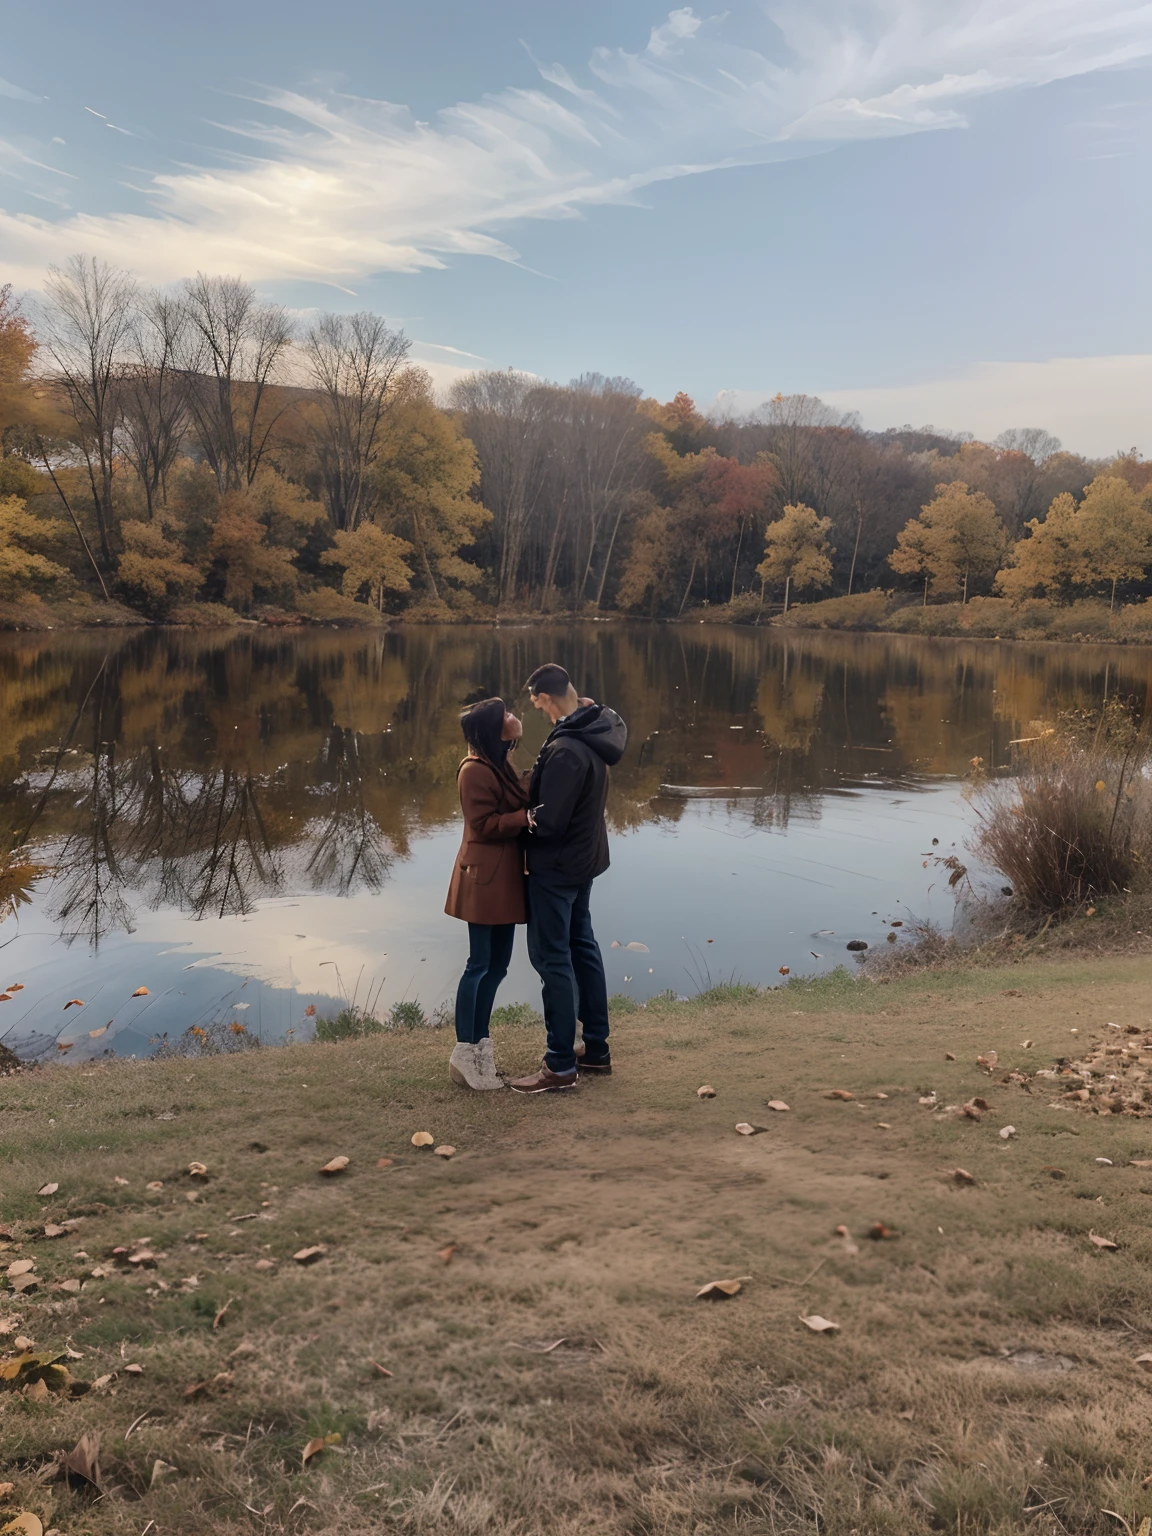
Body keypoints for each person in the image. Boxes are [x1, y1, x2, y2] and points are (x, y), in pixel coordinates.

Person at [508, 663, 627, 1094]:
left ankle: (559, 1064)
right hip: (585, 861)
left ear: (547, 698)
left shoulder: (566, 751)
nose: (537, 709)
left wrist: (512, 821)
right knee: (583, 948)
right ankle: (595, 1049)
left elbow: (549, 821)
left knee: (551, 958)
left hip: (556, 868)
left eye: (537, 702)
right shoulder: (594, 730)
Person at [444, 697, 529, 1090]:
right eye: (506, 715)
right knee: (479, 964)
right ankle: (465, 1052)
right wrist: (526, 818)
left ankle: (482, 1050)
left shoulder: (499, 763)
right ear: (491, 729)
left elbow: (516, 794)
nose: (513, 718)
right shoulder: (474, 770)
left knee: (498, 967)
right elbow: (483, 824)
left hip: (505, 879)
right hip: (483, 880)